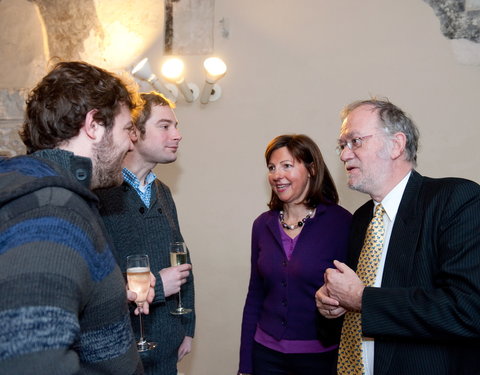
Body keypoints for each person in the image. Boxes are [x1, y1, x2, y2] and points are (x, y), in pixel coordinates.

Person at [0, 61, 154, 374]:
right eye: (127, 129)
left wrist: (105, 297)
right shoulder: (52, 211)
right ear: (94, 124)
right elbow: (30, 363)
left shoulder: (60, 197)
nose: (131, 142)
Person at [315, 98, 480, 375]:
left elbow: (467, 310)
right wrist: (332, 307)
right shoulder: (361, 219)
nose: (344, 155)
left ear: (396, 144)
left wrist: (360, 298)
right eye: (342, 145)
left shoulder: (455, 200)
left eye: (355, 141)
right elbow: (358, 314)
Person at [96, 91, 195, 375]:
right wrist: (160, 286)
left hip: (166, 349)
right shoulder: (102, 195)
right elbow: (101, 284)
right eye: (165, 126)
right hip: (123, 354)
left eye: (175, 126)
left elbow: (183, 260)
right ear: (134, 133)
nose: (177, 135)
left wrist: (187, 326)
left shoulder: (162, 192)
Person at [238, 134, 352, 375]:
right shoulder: (262, 225)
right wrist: (245, 366)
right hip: (265, 355)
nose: (277, 175)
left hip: (320, 358)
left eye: (287, 165)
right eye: (272, 167)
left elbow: (353, 297)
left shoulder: (341, 222)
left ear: (311, 169)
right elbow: (254, 296)